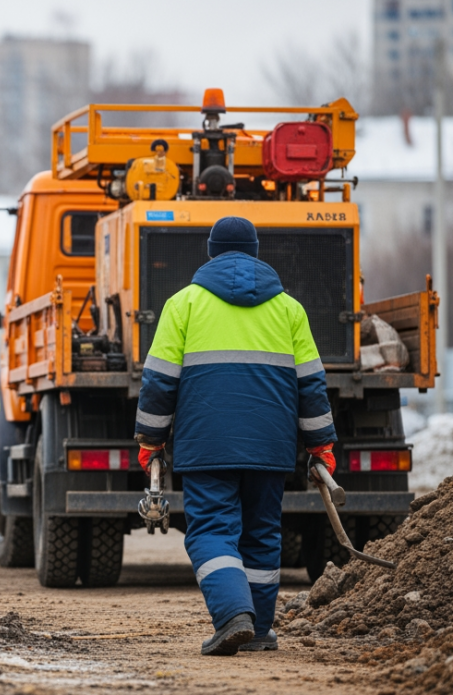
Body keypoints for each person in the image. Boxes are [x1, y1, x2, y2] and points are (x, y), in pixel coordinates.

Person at [134, 216, 337, 655]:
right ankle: (259, 629)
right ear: (257, 251)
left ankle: (231, 617)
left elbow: (159, 381)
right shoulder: (290, 309)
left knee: (210, 531)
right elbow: (312, 385)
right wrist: (321, 445)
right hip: (271, 444)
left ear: (210, 251)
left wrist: (151, 439)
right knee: (263, 533)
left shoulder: (183, 304)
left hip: (207, 443)